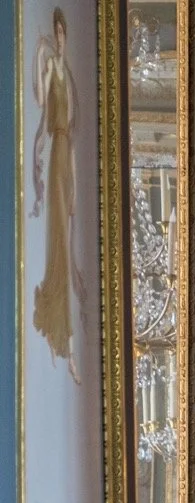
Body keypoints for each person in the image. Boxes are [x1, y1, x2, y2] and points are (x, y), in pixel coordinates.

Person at [32, 6, 83, 385]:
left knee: (68, 242)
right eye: (58, 35)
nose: (61, 39)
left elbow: (76, 142)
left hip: (68, 159)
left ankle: (65, 342)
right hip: (57, 156)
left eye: (64, 35)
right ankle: (60, 338)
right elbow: (39, 105)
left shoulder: (69, 75)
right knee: (58, 246)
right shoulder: (53, 71)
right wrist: (39, 55)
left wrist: (78, 187)